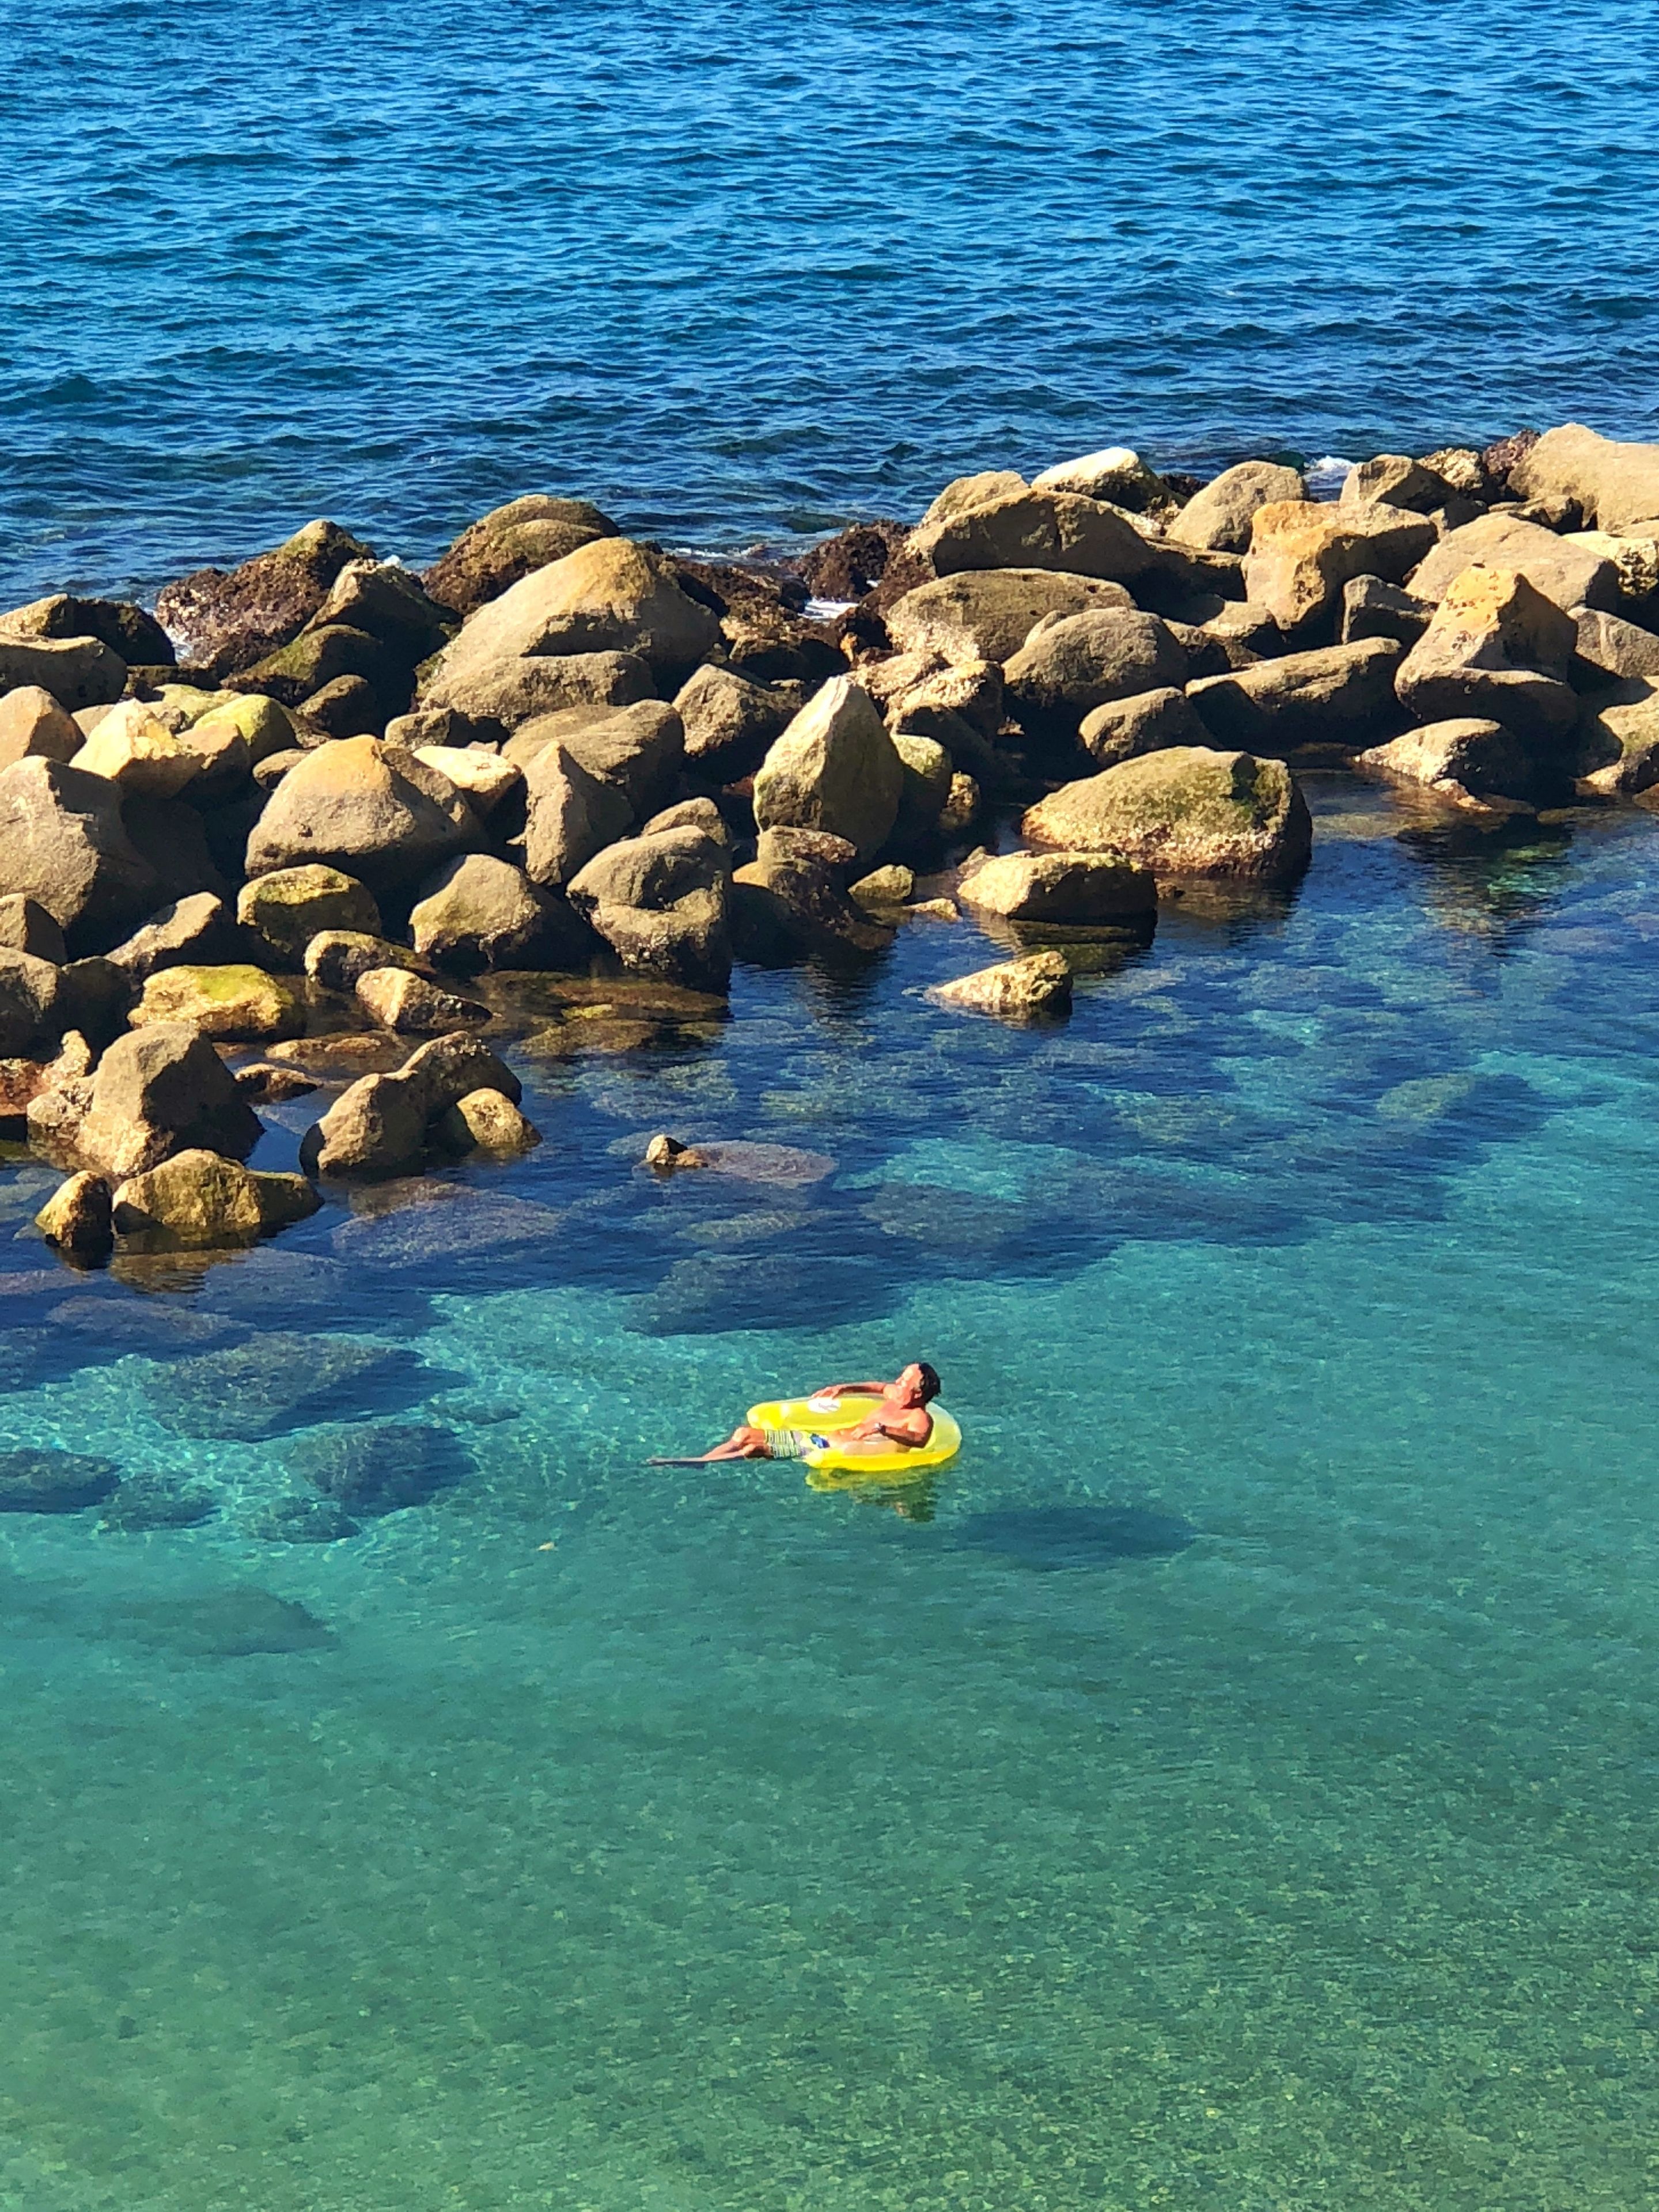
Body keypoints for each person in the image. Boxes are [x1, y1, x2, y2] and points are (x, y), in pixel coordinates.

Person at [648, 1362, 942, 1465]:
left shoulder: (918, 1417)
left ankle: (692, 1462)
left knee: (753, 1449)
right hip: (822, 1438)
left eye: (905, 1381)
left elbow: (918, 1440)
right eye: (901, 1377)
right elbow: (878, 1386)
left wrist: (883, 1429)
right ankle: (704, 1461)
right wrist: (843, 1387)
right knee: (741, 1433)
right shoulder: (896, 1396)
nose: (898, 1382)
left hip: (831, 1450)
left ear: (918, 1393)